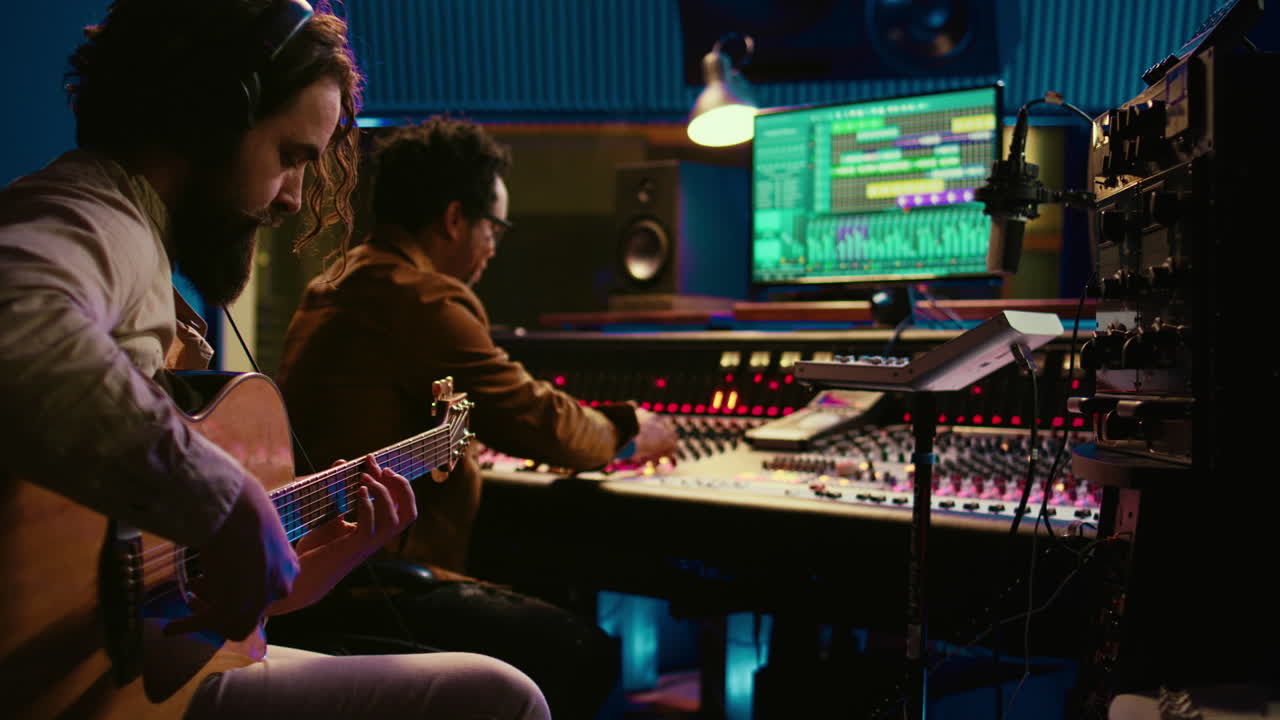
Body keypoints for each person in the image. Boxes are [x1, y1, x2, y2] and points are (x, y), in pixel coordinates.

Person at [0, 2, 548, 719]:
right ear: (212, 115)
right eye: (290, 156)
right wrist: (225, 499)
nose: (293, 197)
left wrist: (314, 557)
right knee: (500, 700)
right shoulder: (96, 215)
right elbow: (20, 327)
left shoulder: (133, 242)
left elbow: (174, 596)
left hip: (130, 672)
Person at [272, 117, 680, 718]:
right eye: (495, 226)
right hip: (373, 581)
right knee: (579, 651)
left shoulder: (337, 284)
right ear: (455, 218)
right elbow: (539, 421)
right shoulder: (419, 297)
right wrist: (626, 431)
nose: (495, 245)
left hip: (319, 576)